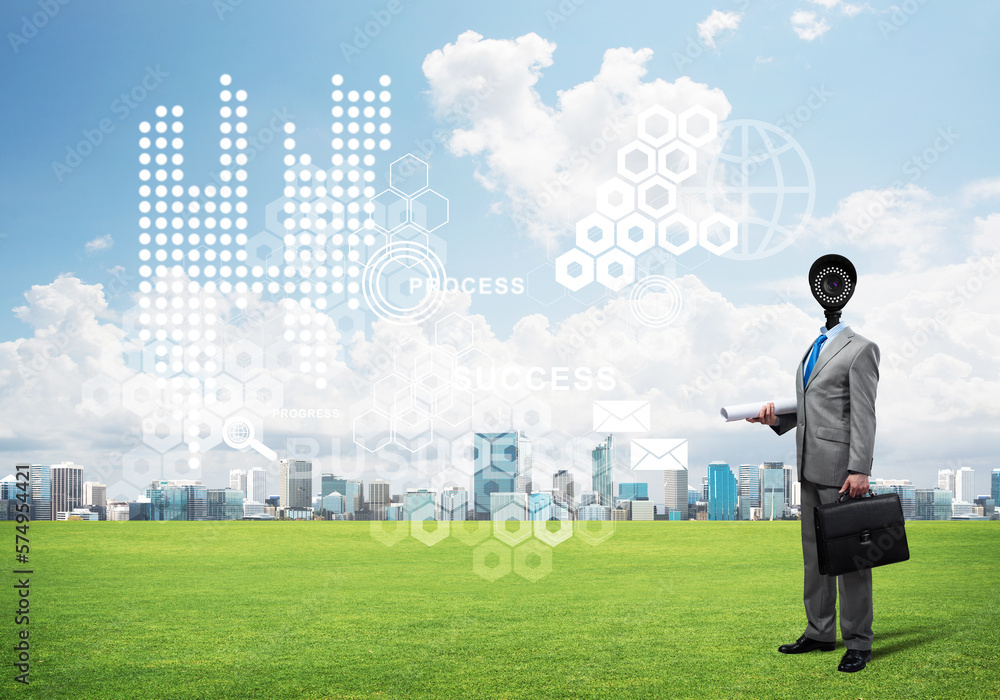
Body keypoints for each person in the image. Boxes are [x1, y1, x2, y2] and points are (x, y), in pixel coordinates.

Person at [747, 319, 880, 673]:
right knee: (815, 558)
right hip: (809, 465)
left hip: (842, 471)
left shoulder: (861, 348)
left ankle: (858, 643)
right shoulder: (814, 346)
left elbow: (864, 413)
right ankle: (820, 631)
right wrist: (776, 420)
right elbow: (814, 407)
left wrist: (860, 468)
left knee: (851, 560)